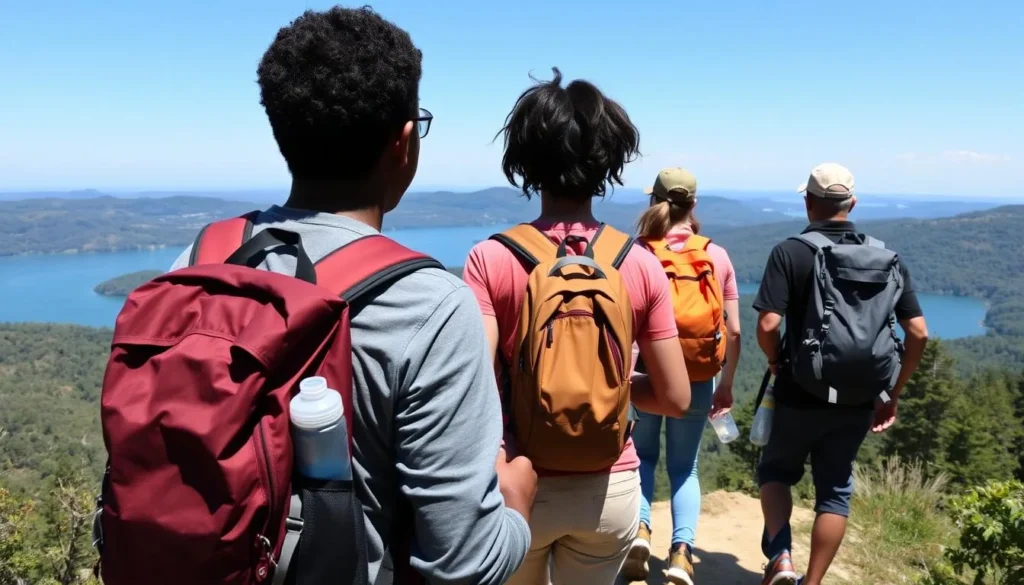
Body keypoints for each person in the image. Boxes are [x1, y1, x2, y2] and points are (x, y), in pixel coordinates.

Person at [170, 8, 535, 584]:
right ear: (404, 141)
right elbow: (462, 563)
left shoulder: (201, 262)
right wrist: (517, 505)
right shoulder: (431, 306)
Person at [463, 68, 691, 585]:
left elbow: (471, 388)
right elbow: (676, 399)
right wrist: (609, 386)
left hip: (516, 481)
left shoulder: (490, 259)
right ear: (607, 161)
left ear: (525, 160)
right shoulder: (639, 263)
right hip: (608, 488)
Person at [753, 163, 929, 585]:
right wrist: (892, 392)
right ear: (852, 203)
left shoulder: (790, 251)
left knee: (776, 473)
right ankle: (810, 583)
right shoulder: (885, 256)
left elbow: (768, 325)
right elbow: (918, 332)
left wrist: (776, 361)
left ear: (809, 202)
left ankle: (781, 559)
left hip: (799, 388)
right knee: (834, 492)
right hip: (859, 395)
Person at [622, 168, 741, 585]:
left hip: (643, 373)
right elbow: (735, 329)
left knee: (644, 458)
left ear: (653, 200)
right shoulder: (716, 254)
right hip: (696, 376)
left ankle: (638, 531)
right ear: (694, 204)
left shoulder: (636, 252)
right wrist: (724, 386)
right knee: (685, 467)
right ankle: (682, 555)